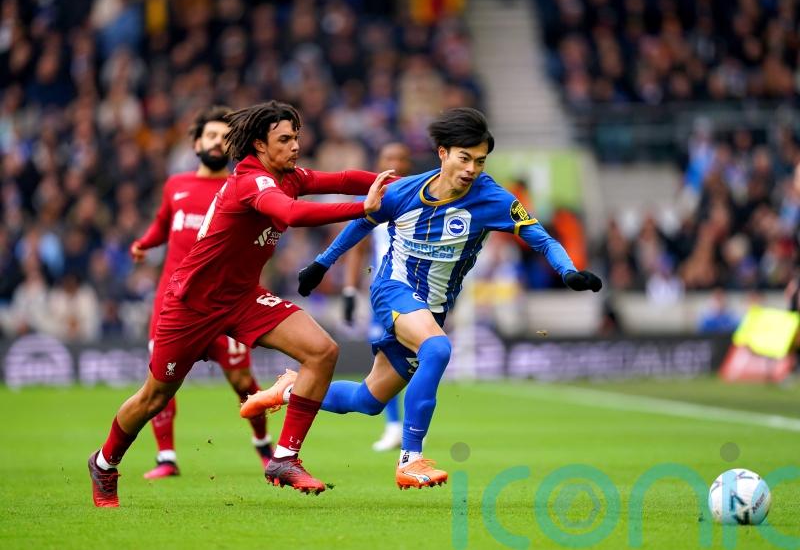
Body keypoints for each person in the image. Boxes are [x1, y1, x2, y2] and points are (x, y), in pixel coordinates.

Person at [241, 108, 602, 489]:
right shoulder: (403, 191)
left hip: (433, 308)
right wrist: (321, 264)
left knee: (367, 400)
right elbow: (361, 222)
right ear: (443, 153)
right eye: (464, 158)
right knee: (438, 350)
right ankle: (410, 459)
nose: (471, 169)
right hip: (393, 289)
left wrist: (568, 271)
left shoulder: (493, 199)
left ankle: (289, 387)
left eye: (479, 161)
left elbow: (541, 237)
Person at [87, 101, 392, 506]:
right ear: (260, 146)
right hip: (192, 305)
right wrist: (366, 210)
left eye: (296, 137)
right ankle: (105, 463)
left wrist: (415, 184)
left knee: (322, 351)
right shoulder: (251, 181)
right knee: (154, 397)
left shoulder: (288, 175)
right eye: (285, 139)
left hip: (243, 298)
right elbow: (294, 214)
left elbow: (344, 177)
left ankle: (284, 458)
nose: (295, 145)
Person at [129, 106, 274, 479]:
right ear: (196, 143)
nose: (216, 142)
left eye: (225, 137)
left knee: (242, 381)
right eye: (210, 135)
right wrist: (144, 243)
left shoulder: (239, 188)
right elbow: (164, 225)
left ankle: (264, 448)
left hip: (223, 302)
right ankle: (166, 458)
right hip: (173, 303)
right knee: (159, 384)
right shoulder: (175, 186)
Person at [341, 142, 413, 452]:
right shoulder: (370, 199)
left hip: (420, 290)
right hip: (384, 291)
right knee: (387, 358)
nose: (394, 163)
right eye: (388, 158)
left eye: (400, 158)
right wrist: (349, 290)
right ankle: (395, 425)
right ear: (379, 163)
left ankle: (406, 428)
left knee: (417, 360)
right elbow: (356, 248)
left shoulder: (422, 195)